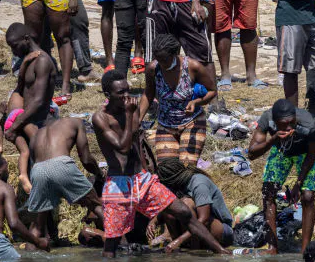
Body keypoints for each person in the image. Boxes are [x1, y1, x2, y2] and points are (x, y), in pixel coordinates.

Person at [93, 70, 226, 256]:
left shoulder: (131, 109)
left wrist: (148, 171)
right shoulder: (100, 118)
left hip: (141, 179)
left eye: (128, 90)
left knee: (183, 212)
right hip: (118, 185)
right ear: (108, 95)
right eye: (120, 92)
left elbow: (136, 144)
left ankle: (221, 251)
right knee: (112, 243)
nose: (126, 96)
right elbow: (122, 147)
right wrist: (130, 115)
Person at [248, 99, 315, 252]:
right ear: (275, 122)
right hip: (281, 150)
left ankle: (305, 250)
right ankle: (272, 247)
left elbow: (311, 155)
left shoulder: (309, 124)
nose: (288, 127)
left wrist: (298, 184)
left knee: (307, 196)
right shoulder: (267, 119)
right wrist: (273, 139)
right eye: (283, 124)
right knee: (268, 192)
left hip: (305, 154)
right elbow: (251, 153)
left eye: (291, 122)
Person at [25, 113, 105, 239]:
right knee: (97, 206)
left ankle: (31, 250)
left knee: (37, 226)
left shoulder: (36, 135)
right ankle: (123, 244)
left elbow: (36, 165)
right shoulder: (75, 122)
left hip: (38, 170)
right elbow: (86, 159)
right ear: (56, 115)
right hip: (61, 165)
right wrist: (99, 173)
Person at [139, 33, 215, 165]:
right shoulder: (153, 69)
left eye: (165, 60)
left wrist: (196, 102)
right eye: (158, 59)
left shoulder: (192, 67)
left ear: (175, 54)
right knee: (167, 169)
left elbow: (212, 90)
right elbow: (148, 94)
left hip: (192, 121)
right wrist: (137, 119)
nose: (162, 64)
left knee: (187, 167)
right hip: (166, 124)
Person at [3, 23, 58, 191]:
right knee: (30, 170)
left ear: (26, 39)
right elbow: (20, 90)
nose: (13, 51)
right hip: (28, 121)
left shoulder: (42, 61)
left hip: (40, 124)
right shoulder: (28, 61)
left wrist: (16, 124)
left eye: (15, 46)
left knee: (40, 172)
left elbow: (39, 100)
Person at [156, 158, 235, 249]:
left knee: (187, 204)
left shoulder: (198, 184)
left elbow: (204, 219)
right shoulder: (178, 185)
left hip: (222, 230)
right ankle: (182, 247)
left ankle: (194, 250)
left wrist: (178, 240)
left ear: (171, 180)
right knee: (169, 206)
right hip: (199, 230)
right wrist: (153, 222)